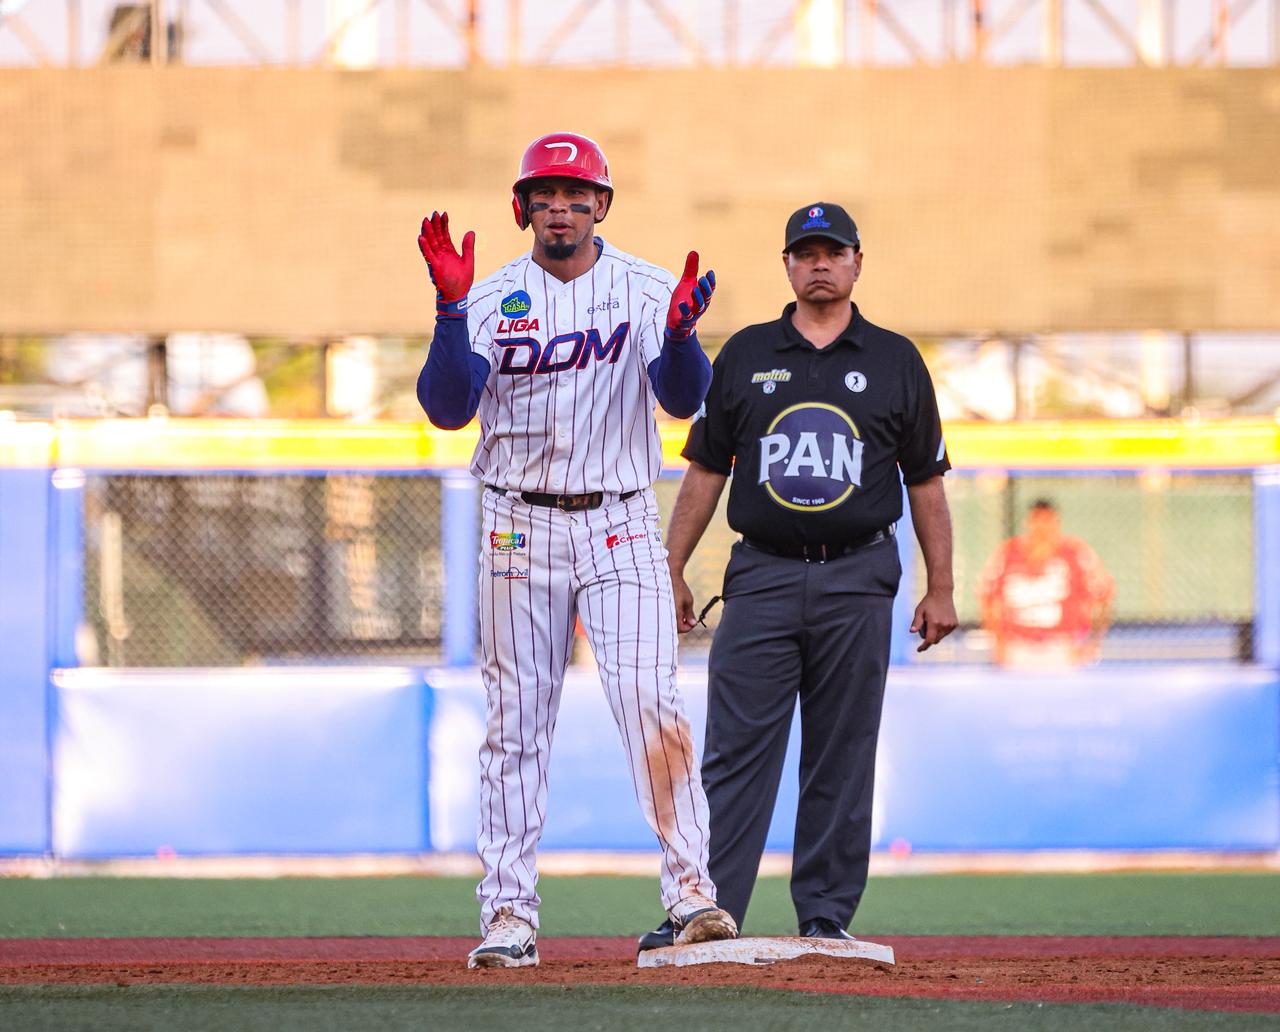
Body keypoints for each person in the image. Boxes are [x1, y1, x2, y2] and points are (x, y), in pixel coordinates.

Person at [415, 132, 737, 969]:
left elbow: (682, 401)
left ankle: (692, 892)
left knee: (648, 702)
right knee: (517, 722)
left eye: (576, 193)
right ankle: (509, 917)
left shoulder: (644, 287)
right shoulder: (486, 298)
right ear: (523, 207)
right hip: (517, 520)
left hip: (621, 519)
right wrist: (449, 313)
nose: (561, 207)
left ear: (603, 205)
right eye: (545, 194)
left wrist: (681, 341)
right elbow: (447, 411)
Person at [639, 202, 958, 951]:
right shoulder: (747, 354)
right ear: (786, 264)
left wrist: (940, 585)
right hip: (763, 577)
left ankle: (827, 915)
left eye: (833, 251)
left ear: (856, 262)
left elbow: (927, 482)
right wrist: (672, 566)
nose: (820, 263)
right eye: (804, 251)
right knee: (734, 753)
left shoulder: (895, 359)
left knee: (842, 752)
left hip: (857, 576)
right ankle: (704, 909)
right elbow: (706, 470)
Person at [978, 498, 1114, 669]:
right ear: (1028, 523)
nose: (1042, 529)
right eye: (1037, 522)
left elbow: (1104, 598)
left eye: (1047, 522)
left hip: (1063, 648)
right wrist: (997, 643)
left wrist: (1092, 644)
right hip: (1016, 648)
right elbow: (987, 600)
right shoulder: (1008, 553)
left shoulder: (1076, 553)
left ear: (1056, 523)